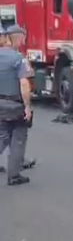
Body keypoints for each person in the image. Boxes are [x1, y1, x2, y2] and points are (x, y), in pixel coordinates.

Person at [0, 25, 33, 186]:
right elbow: (24, 83)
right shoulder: (18, 58)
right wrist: (27, 106)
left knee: (2, 137)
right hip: (14, 105)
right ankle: (13, 175)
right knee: (18, 138)